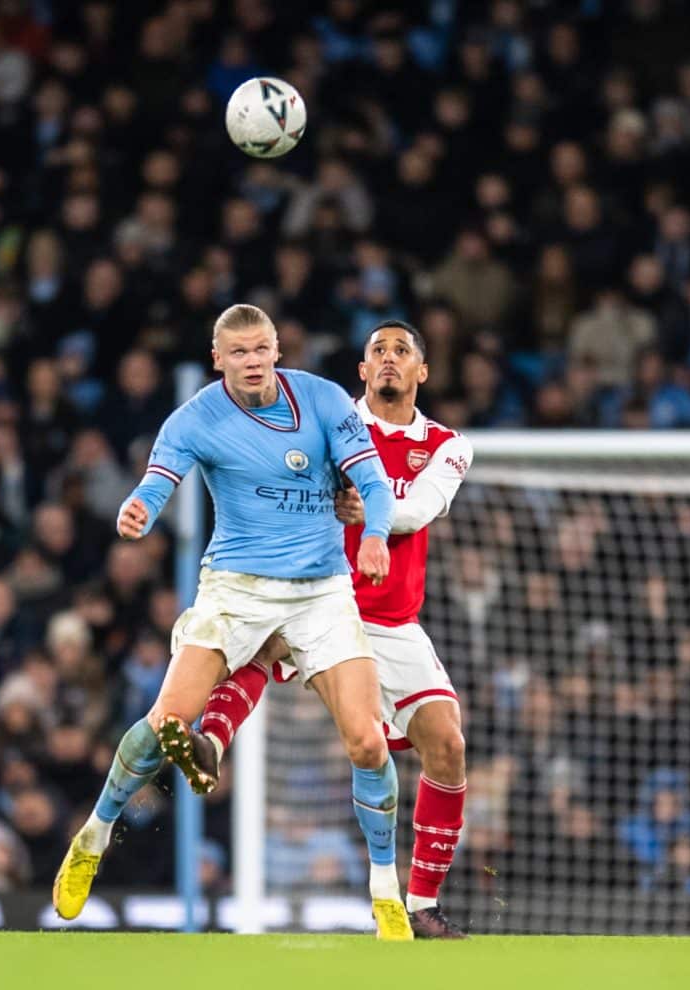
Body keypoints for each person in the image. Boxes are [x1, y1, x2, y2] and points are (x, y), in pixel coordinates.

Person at [52, 304, 412, 939]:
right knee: (166, 719)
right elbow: (157, 482)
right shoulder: (195, 418)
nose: (252, 362)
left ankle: (385, 889)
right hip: (236, 589)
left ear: (277, 350)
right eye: (239, 352)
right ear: (217, 359)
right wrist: (139, 508)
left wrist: (377, 535)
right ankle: (94, 835)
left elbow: (374, 483)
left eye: (261, 349)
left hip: (322, 592)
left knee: (367, 741)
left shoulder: (325, 400)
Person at [179, 320, 474, 938]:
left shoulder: (447, 446)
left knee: (447, 743)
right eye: (377, 350)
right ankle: (210, 743)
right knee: (264, 640)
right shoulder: (326, 422)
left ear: (422, 372)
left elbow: (420, 508)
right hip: (317, 596)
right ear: (361, 371)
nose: (388, 358)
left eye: (401, 351)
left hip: (392, 621)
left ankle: (421, 904)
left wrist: (371, 507)